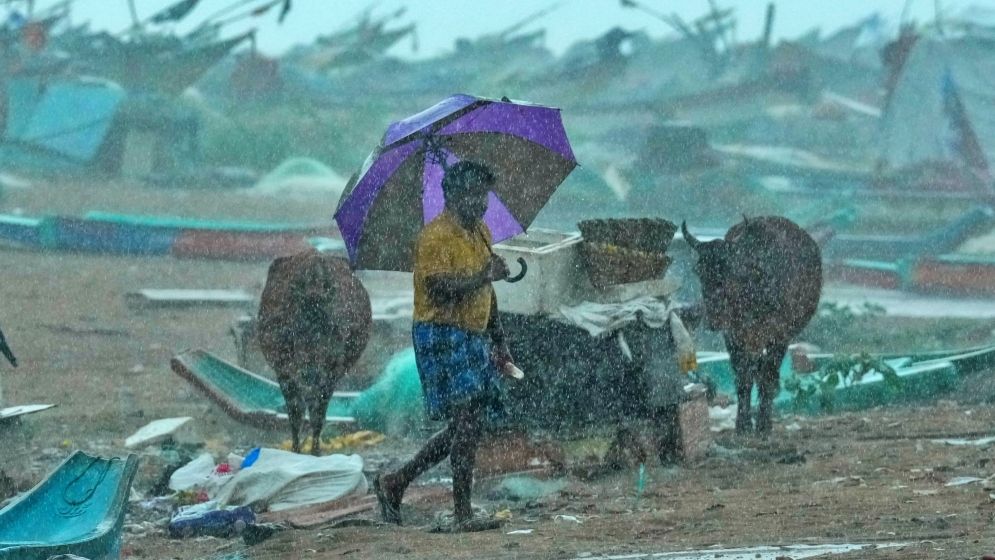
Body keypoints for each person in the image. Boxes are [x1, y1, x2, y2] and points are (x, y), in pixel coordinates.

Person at [374, 160, 514, 532]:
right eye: (470, 195)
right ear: (450, 196)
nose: (479, 204)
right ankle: (462, 513)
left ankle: (395, 482)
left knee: (467, 424)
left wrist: (499, 340)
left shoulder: (480, 232)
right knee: (466, 420)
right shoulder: (434, 238)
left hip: (473, 333)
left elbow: (488, 292)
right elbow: (439, 289)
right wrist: (483, 274)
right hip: (441, 332)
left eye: (482, 196)